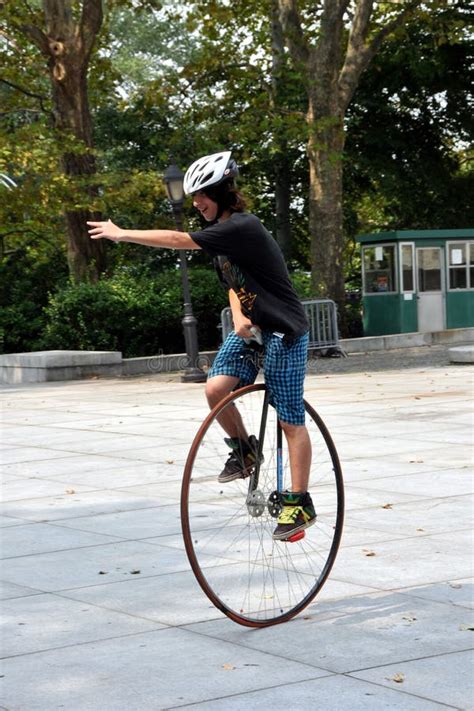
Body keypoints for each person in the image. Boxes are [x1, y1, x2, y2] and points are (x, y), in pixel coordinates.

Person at [87, 150, 316, 541]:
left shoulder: (242, 227)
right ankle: (246, 450)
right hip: (253, 330)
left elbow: (178, 239)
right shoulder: (222, 242)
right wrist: (240, 316)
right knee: (215, 387)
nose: (196, 203)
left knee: (289, 419)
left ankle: (299, 503)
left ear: (223, 193)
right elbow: (233, 284)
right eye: (193, 197)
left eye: (202, 195)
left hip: (284, 332)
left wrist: (122, 233)